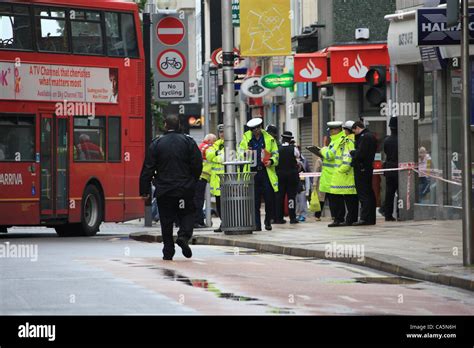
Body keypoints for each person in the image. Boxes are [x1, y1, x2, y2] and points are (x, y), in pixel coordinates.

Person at [139, 114, 203, 261]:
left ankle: (168, 250)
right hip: (184, 189)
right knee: (187, 214)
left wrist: (144, 190)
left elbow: (148, 168)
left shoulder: (157, 144)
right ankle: (183, 236)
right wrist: (192, 181)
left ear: (165, 125)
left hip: (164, 190)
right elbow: (197, 164)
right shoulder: (188, 142)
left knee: (166, 220)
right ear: (179, 125)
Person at [239, 117, 279, 231]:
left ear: (261, 127)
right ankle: (257, 224)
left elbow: (276, 154)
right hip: (252, 173)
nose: (256, 131)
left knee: (269, 198)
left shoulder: (269, 139)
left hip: (266, 172)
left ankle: (268, 221)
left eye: (257, 128)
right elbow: (239, 153)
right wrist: (246, 153)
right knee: (254, 200)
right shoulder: (246, 138)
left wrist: (271, 161)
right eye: (253, 129)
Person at [318, 122, 347, 227]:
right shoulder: (335, 140)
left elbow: (329, 155)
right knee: (332, 199)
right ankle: (336, 218)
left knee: (336, 199)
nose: (330, 132)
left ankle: (338, 218)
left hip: (334, 175)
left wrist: (324, 147)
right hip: (330, 175)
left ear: (337, 130)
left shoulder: (339, 140)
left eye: (331, 130)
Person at [351, 121, 377, 226]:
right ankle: (370, 218)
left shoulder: (364, 137)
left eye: (354, 132)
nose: (354, 134)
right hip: (367, 168)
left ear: (357, 128)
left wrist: (353, 153)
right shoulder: (371, 136)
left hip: (362, 168)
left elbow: (361, 153)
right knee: (369, 193)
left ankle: (364, 218)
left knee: (363, 194)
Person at [275, 131, 300, 224]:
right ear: (290, 140)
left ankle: (279, 218)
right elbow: (297, 159)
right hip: (291, 176)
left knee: (279, 197)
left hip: (280, 176)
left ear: (282, 139)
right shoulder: (294, 149)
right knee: (291, 196)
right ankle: (292, 218)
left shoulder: (278, 148)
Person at [194, 133, 217, 228]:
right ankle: (198, 221)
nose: (215, 143)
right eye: (214, 141)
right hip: (202, 176)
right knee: (198, 200)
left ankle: (198, 220)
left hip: (201, 176)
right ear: (209, 140)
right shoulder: (206, 147)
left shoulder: (201, 146)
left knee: (198, 199)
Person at [206, 125, 225, 233]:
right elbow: (208, 155)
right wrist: (218, 154)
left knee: (227, 204)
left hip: (228, 180)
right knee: (219, 205)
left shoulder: (231, 144)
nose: (222, 134)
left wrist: (217, 157)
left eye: (224, 132)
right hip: (217, 181)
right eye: (220, 132)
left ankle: (226, 223)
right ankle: (223, 223)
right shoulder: (216, 144)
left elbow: (226, 157)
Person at [341, 121, 359, 226]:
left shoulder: (350, 141)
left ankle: (350, 219)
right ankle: (353, 218)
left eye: (345, 129)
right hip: (352, 174)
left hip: (349, 175)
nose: (343, 131)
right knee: (352, 199)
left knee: (350, 199)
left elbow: (349, 158)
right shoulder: (352, 140)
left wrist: (340, 170)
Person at [383, 117, 399, 221]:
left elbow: (386, 152)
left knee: (389, 193)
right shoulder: (401, 140)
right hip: (399, 168)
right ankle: (400, 212)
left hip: (389, 167)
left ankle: (388, 214)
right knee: (401, 192)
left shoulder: (387, 140)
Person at [295, 147, 311, 222]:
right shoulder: (291, 160)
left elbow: (308, 172)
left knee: (302, 200)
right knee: (296, 200)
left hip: (303, 183)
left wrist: (309, 187)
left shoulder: (304, 160)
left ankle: (303, 215)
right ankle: (297, 214)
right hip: (295, 182)